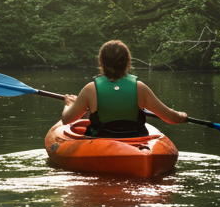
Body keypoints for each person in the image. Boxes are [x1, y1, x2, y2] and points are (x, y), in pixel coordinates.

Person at [58, 40, 187, 137]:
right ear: (128, 62)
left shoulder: (90, 89)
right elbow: (172, 118)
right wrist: (182, 115)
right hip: (135, 140)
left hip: (101, 140)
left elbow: (67, 120)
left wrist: (69, 104)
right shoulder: (140, 88)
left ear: (101, 62)